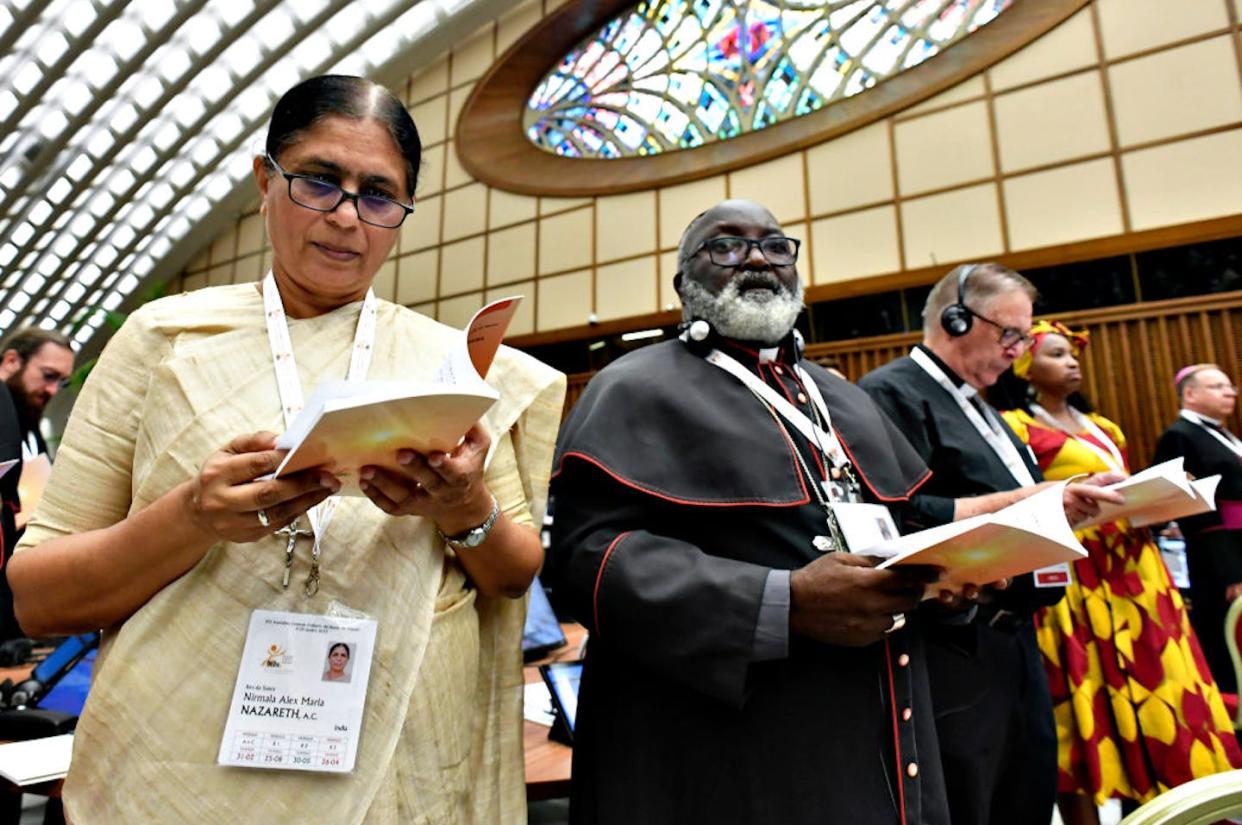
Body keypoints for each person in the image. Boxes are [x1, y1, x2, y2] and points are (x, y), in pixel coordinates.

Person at [8, 74, 565, 823]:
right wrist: (195, 515)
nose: (345, 217)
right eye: (319, 181)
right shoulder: (165, 343)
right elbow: (40, 593)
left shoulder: (444, 362)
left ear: (401, 214)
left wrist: (464, 506)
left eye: (377, 195)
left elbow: (513, 573)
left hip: (400, 776)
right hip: (180, 765)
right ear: (265, 180)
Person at [548, 198, 951, 824]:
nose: (758, 258)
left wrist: (951, 575)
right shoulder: (632, 387)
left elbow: (902, 519)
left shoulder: (840, 395)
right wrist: (782, 602)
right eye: (727, 246)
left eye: (775, 245)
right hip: (726, 750)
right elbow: (587, 560)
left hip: (880, 725)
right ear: (684, 285)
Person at [858, 264, 1122, 825]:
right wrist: (1042, 499)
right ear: (955, 320)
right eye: (1010, 334)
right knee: (971, 797)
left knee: (1026, 792)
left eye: (1025, 338)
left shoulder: (984, 404)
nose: (1019, 350)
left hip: (1018, 633)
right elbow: (898, 516)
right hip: (956, 643)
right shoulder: (890, 392)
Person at [999, 322, 1241, 824]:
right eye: (1057, 354)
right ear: (1024, 365)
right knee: (1084, 700)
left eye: (1074, 355)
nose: (1072, 362)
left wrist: (1165, 493)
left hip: (1134, 567)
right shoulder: (1015, 425)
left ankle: (1164, 810)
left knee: (1160, 693)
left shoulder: (1105, 428)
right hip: (1077, 570)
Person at [1154, 363, 1242, 692]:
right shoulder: (1179, 436)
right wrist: (1230, 572)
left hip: (1237, 543)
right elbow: (1194, 511)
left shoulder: (1220, 433)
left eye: (1230, 386)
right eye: (1219, 386)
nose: (1230, 392)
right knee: (1227, 635)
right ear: (1190, 393)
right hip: (1218, 556)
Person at [0, 328, 74, 641]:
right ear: (11, 361)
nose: (53, 390)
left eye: (61, 381)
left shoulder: (30, 430)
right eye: (47, 375)